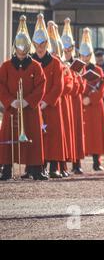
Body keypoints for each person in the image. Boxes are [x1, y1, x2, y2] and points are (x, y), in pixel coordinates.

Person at [0, 15, 47, 181]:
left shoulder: (36, 66)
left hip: (30, 108)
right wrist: (10, 101)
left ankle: (35, 169)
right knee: (8, 137)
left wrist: (28, 101)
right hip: (12, 107)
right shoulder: (6, 66)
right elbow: (1, 85)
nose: (20, 53)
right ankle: (6, 169)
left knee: (33, 136)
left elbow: (41, 86)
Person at [31, 19, 66, 179]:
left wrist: (46, 101)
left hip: (51, 106)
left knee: (53, 137)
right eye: (37, 44)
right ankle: (35, 166)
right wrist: (35, 101)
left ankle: (54, 167)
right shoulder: (30, 62)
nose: (40, 47)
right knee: (36, 136)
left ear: (47, 43)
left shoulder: (56, 63)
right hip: (34, 106)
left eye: (43, 43)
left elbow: (58, 86)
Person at [79, 28, 104, 172]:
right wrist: (83, 98)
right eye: (82, 55)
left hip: (95, 106)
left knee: (96, 135)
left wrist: (91, 98)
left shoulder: (98, 70)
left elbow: (102, 88)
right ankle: (76, 164)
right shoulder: (76, 68)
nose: (85, 58)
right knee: (79, 133)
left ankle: (97, 161)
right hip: (82, 105)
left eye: (87, 55)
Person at [62, 21, 86, 175]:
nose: (68, 51)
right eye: (65, 48)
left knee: (76, 130)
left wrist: (76, 76)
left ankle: (76, 162)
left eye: (70, 48)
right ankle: (62, 163)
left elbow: (82, 87)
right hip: (64, 99)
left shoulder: (77, 65)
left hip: (75, 101)